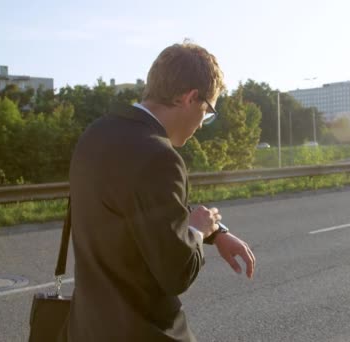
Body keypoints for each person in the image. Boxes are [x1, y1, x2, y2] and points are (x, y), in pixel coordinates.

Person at [61, 41, 256, 341]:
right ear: (191, 98)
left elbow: (140, 211)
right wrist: (199, 232)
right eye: (208, 110)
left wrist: (216, 232)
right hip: (143, 331)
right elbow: (177, 273)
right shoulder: (159, 156)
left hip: (87, 328)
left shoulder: (96, 133)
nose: (202, 124)